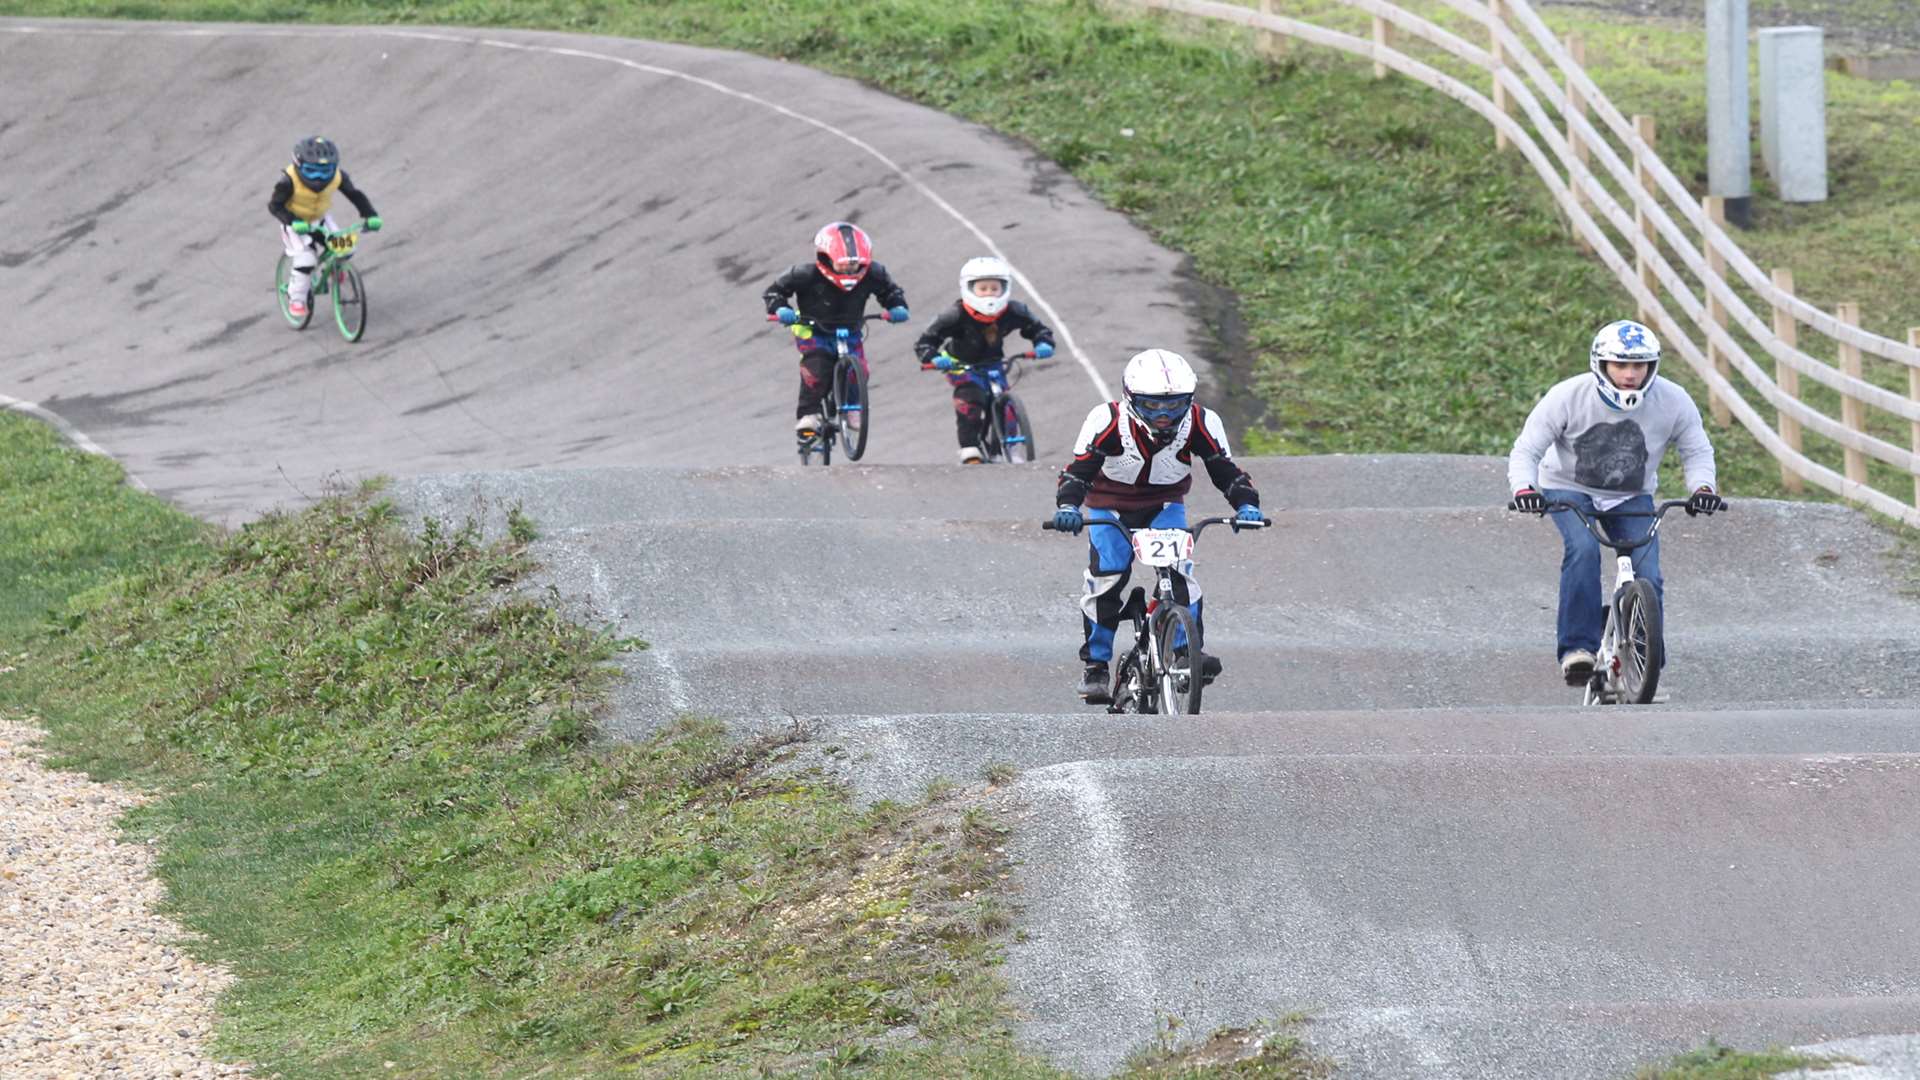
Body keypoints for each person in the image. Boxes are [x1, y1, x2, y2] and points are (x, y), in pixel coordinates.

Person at [1508, 319, 1726, 684]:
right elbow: (1526, 450)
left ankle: (1644, 651)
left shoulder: (1673, 400)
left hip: (1631, 495)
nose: (1630, 375)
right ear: (1601, 364)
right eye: (1620, 365)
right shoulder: (1568, 396)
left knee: (1648, 574)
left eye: (1639, 365)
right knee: (1583, 550)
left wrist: (1703, 488)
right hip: (1567, 488)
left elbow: (1697, 449)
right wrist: (1525, 490)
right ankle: (1578, 649)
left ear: (1651, 366)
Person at [1052, 349, 1264, 702]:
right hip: (1109, 509)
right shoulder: (1106, 420)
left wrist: (1247, 505)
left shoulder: (1200, 421)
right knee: (1107, 579)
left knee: (1182, 575)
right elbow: (1078, 473)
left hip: (1164, 507)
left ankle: (1185, 654)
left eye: (1175, 405)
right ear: (1131, 398)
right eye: (1152, 406)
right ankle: (1096, 667)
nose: (1164, 415)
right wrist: (1068, 506)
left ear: (1190, 400)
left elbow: (1225, 471)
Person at [762, 222, 909, 440]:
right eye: (843, 266)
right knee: (817, 368)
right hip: (813, 330)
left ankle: (851, 408)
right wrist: (781, 309)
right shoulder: (804, 274)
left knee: (860, 371)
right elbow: (774, 291)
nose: (850, 270)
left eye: (855, 265)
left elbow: (890, 291)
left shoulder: (873, 273)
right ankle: (809, 414)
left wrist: (897, 307)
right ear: (826, 258)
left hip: (850, 330)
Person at [913, 256, 1056, 463]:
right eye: (983, 288)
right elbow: (925, 341)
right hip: (958, 364)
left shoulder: (1014, 311)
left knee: (1006, 407)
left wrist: (1043, 343)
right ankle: (969, 447)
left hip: (994, 363)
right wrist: (934, 358)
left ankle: (1007, 447)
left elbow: (1038, 328)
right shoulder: (955, 315)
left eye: (994, 288)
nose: (989, 293)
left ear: (1005, 288)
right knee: (971, 399)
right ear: (969, 289)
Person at [268, 136, 381, 318]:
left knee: (345, 248)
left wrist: (370, 214)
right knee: (306, 260)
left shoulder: (338, 177)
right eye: (312, 172)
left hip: (320, 219)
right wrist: (292, 220)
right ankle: (296, 297)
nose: (319, 178)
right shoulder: (288, 181)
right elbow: (274, 206)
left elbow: (355, 195)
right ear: (298, 165)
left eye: (325, 171)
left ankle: (335, 270)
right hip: (296, 224)